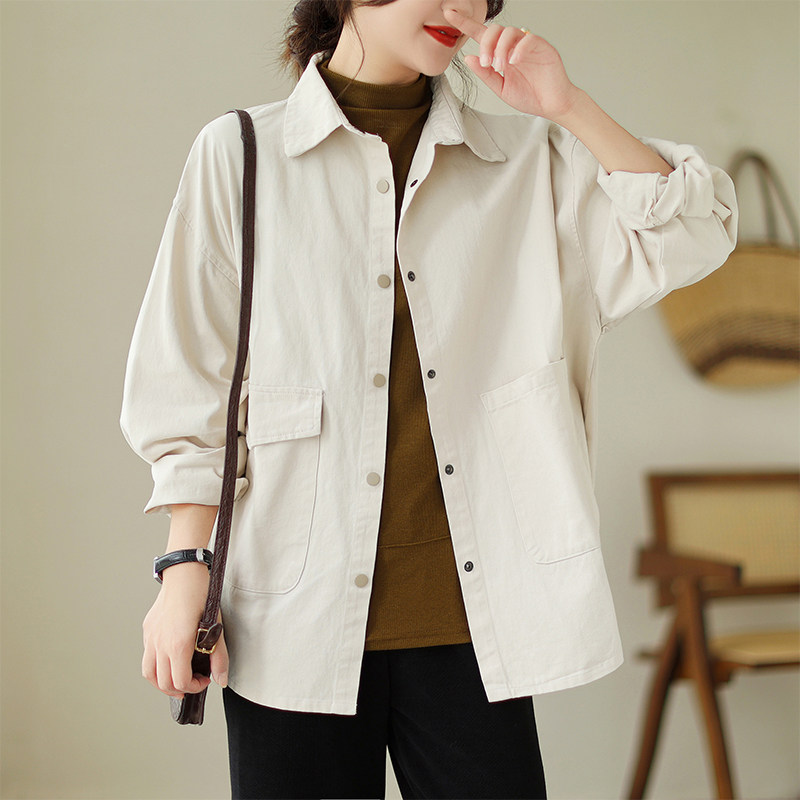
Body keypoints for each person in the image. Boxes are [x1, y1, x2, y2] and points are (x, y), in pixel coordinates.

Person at [119, 1, 738, 797]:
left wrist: (567, 106)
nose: (463, 8)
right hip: (291, 618)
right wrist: (184, 569)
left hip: (474, 623)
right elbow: (190, 382)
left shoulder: (528, 161)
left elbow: (693, 234)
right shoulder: (240, 155)